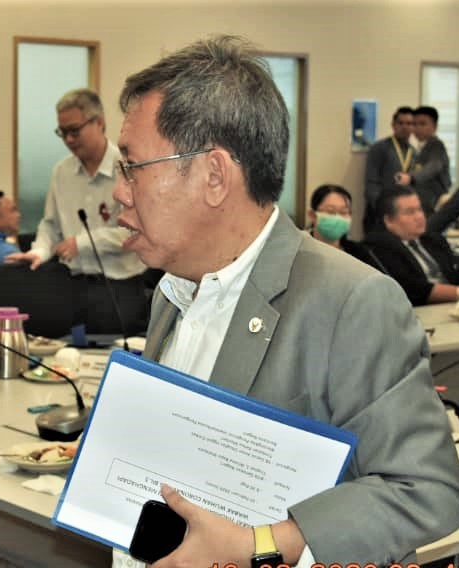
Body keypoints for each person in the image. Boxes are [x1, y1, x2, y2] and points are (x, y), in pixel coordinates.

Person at [110, 35, 459, 566]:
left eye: (132, 166)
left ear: (214, 176)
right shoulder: (173, 291)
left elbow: (424, 488)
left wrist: (263, 544)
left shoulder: (351, 301)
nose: (118, 190)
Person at [6, 87, 153, 334]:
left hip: (120, 289)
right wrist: (39, 252)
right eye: (62, 133)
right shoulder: (62, 172)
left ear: (99, 123)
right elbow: (50, 224)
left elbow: (136, 231)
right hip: (72, 287)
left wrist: (81, 243)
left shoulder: (127, 167)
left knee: (117, 353)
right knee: (72, 352)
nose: (69, 140)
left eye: (74, 131)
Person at [365, 185, 459, 305]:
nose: (419, 216)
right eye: (410, 212)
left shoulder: (433, 240)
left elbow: (454, 273)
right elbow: (414, 289)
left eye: (419, 209)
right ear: (388, 220)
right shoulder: (380, 248)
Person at [306, 184, 384, 271]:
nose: (337, 218)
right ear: (312, 215)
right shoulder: (301, 248)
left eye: (343, 212)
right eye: (330, 211)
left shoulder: (360, 253)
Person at [364, 106, 416, 231]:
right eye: (401, 123)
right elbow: (371, 183)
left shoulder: (414, 151)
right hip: (379, 214)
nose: (405, 127)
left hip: (403, 213)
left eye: (409, 123)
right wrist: (383, 208)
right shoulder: (379, 148)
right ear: (393, 125)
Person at [405, 106, 452, 217]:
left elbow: (433, 166)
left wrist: (411, 177)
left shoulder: (436, 145)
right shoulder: (418, 148)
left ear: (434, 127)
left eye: (422, 124)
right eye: (414, 124)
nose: (417, 128)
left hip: (434, 205)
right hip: (422, 204)